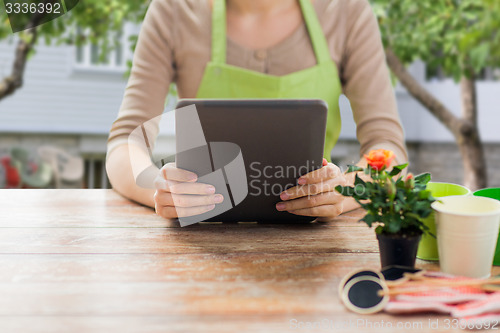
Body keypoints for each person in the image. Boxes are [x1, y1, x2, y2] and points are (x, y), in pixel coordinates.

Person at [106, 0, 408, 222]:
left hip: (310, 242)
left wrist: (345, 190)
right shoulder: (173, 11)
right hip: (205, 243)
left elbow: (389, 148)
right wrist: (158, 188)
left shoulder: (347, 12)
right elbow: (125, 142)